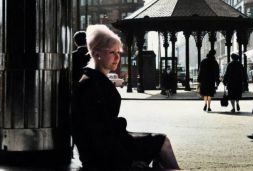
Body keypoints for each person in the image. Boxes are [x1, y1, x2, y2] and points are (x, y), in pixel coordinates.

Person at [72, 24, 180, 170]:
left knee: (161, 141)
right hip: (104, 157)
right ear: (97, 54)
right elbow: (96, 135)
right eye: (112, 52)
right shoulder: (91, 84)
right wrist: (127, 162)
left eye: (119, 52)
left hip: (112, 145)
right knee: (162, 142)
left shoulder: (94, 78)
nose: (117, 57)